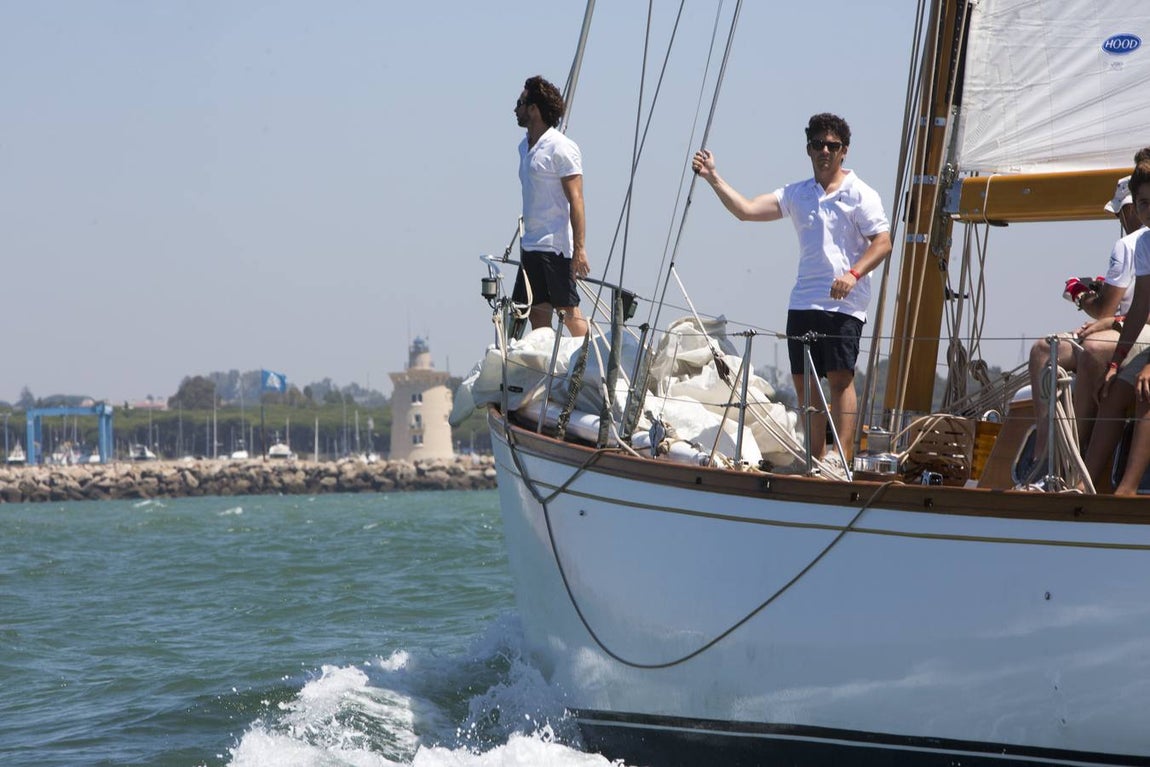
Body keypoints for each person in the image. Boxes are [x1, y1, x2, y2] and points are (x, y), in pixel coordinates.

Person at [692, 113, 892, 462]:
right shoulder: (798, 194)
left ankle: (841, 456)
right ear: (808, 149)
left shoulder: (861, 194)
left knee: (840, 379)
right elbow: (748, 210)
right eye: (818, 144)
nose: (824, 151)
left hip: (844, 306)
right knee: (806, 387)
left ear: (844, 151)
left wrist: (853, 274)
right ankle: (814, 459)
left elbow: (883, 242)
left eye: (832, 145)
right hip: (803, 303)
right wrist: (713, 178)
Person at [1026, 175, 1148, 467]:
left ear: (1128, 211)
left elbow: (1106, 310)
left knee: (1059, 349)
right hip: (1128, 324)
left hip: (1129, 327)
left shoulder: (1127, 245)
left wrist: (1080, 295)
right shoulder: (1141, 245)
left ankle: (1055, 457)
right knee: (1047, 349)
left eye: (1118, 213)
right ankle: (1057, 457)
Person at [1086, 157, 1150, 494]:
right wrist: (1115, 363)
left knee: (1146, 390)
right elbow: (1140, 309)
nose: (1149, 210)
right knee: (1115, 389)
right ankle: (1088, 486)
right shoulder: (1143, 244)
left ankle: (1126, 490)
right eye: (1143, 203)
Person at [511, 75, 589, 337]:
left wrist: (579, 250)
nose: (515, 109)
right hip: (530, 244)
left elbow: (576, 200)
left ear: (534, 108)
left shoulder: (561, 147)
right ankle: (545, 373)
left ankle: (591, 362)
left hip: (554, 247)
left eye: (520, 102)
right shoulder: (524, 147)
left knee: (568, 311)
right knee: (535, 313)